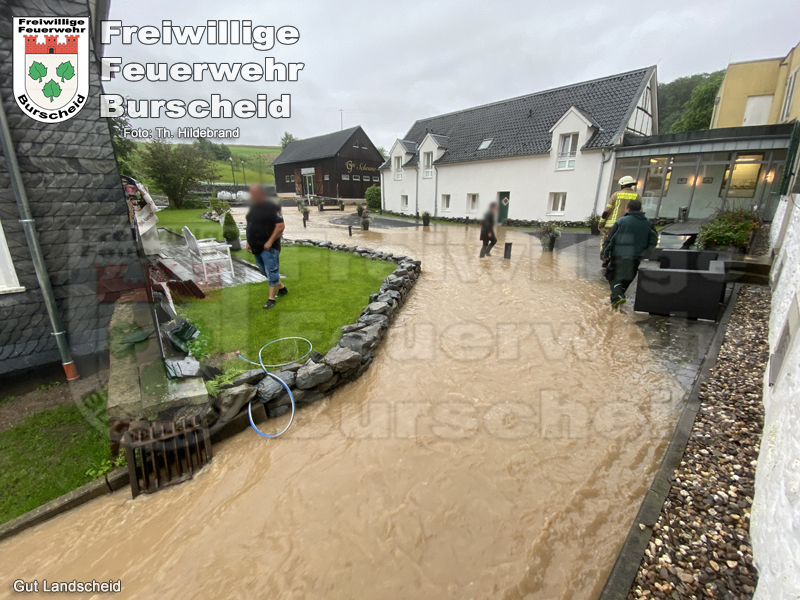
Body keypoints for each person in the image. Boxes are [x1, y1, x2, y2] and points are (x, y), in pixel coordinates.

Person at [601, 198, 658, 310]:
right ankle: (615, 305)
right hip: (636, 257)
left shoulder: (621, 221)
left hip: (619, 256)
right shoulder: (648, 223)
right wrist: (645, 253)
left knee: (613, 277)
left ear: (628, 209)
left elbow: (610, 239)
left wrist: (604, 254)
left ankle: (618, 296)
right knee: (627, 278)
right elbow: (654, 240)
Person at [246, 184, 287, 309]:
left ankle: (271, 299)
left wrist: (270, 241)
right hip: (255, 245)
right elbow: (250, 226)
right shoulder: (253, 208)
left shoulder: (272, 208)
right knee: (264, 271)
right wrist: (248, 241)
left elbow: (280, 226)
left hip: (269, 247)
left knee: (271, 271)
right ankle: (282, 288)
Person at [599, 176, 642, 240]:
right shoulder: (637, 196)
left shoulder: (616, 195)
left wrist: (601, 224)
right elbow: (640, 212)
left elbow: (607, 211)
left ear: (623, 185)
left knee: (606, 244)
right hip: (629, 226)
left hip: (612, 226)